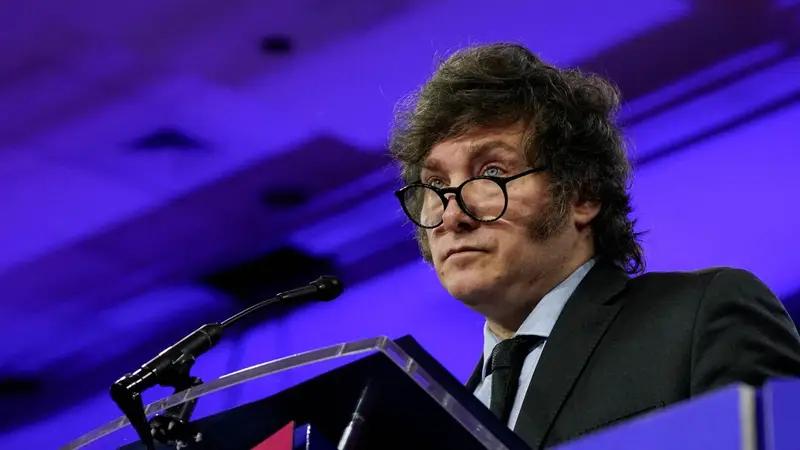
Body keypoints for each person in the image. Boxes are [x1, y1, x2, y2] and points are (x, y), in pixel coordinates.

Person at [388, 43, 800, 449]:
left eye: (491, 173)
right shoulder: (445, 426)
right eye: (436, 184)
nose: (452, 215)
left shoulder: (702, 317)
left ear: (583, 195)